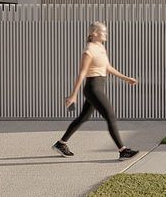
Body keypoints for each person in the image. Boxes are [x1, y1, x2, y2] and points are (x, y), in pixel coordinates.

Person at [52, 21, 139, 160]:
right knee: (110, 116)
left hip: (98, 86)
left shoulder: (100, 47)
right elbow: (82, 73)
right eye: (103, 32)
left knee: (83, 117)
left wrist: (125, 78)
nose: (106, 34)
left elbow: (107, 67)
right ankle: (123, 150)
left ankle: (61, 144)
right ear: (94, 33)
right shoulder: (89, 50)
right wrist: (73, 95)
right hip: (93, 88)